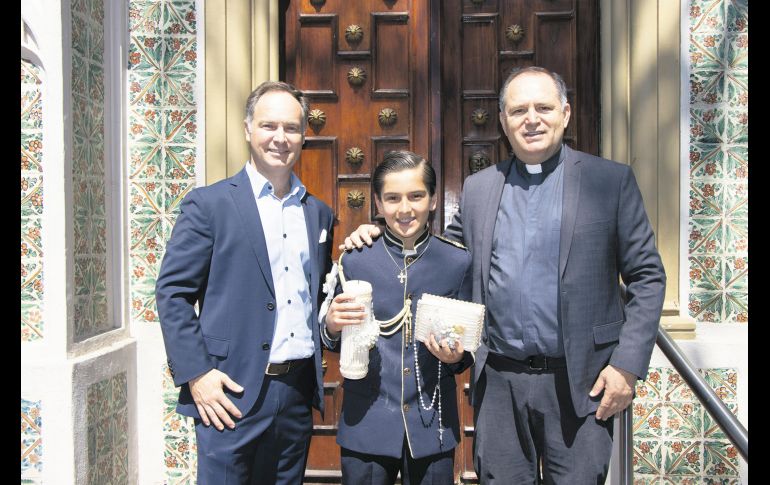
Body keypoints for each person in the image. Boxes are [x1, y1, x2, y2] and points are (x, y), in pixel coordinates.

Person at [342, 67, 666, 483]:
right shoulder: (480, 188)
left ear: (565, 114)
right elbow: (438, 257)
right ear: (502, 121)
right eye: (518, 110)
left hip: (580, 383)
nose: (532, 119)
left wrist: (626, 367)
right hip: (498, 383)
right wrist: (377, 235)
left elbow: (647, 277)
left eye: (543, 108)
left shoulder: (610, 181)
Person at [155, 81, 334, 484]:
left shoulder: (318, 213)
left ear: (304, 135)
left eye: (291, 128)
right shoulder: (209, 205)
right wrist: (197, 374)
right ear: (248, 129)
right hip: (229, 392)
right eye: (269, 125)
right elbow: (173, 294)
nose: (280, 137)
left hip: (296, 394)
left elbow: (319, 294)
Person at [323, 150, 475, 484]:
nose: (404, 209)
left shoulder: (457, 262)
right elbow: (331, 339)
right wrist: (331, 325)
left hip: (431, 425)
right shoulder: (355, 258)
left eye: (416, 196)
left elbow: (468, 345)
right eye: (392, 198)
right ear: (378, 204)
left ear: (433, 200)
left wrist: (457, 358)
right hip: (366, 423)